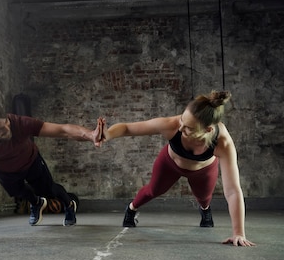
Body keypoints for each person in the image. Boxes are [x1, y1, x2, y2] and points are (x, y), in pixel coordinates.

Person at [98, 90, 255, 247]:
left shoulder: (223, 143)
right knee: (153, 190)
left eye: (188, 128)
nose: (180, 129)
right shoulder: (172, 125)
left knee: (204, 197)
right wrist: (108, 134)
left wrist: (238, 233)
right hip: (170, 164)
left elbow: (233, 191)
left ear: (208, 130)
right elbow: (127, 128)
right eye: (182, 121)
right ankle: (131, 209)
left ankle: (205, 210)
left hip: (202, 171)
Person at [0, 99, 102, 243]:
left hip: (31, 161)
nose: (7, 129)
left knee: (48, 190)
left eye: (6, 122)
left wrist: (90, 135)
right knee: (19, 192)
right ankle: (37, 203)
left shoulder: (18, 123)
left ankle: (69, 205)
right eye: (0, 130)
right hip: (4, 170)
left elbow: (63, 130)